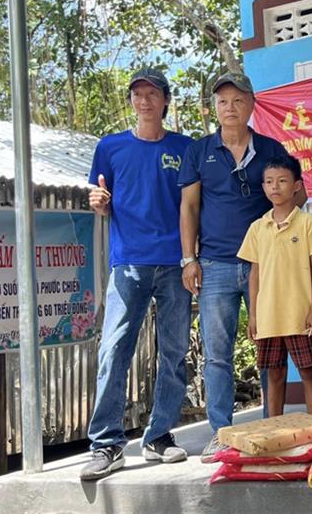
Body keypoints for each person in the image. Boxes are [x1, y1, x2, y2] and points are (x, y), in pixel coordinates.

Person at [178, 72, 300, 462]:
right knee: (217, 354)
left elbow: (296, 195)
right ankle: (222, 433)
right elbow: (190, 207)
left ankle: (271, 429)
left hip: (264, 266)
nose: (230, 108)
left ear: (251, 104)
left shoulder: (270, 148)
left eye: (238, 100)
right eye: (223, 101)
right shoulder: (199, 151)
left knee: (270, 349)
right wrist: (189, 259)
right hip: (213, 264)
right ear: (214, 108)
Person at [80, 68, 193, 481]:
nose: (144, 101)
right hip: (128, 263)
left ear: (165, 100)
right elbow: (101, 198)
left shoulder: (185, 148)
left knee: (174, 351)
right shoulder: (110, 147)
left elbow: (193, 206)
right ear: (131, 101)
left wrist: (191, 257)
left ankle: (159, 436)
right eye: (137, 94)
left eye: (152, 94)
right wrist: (99, 201)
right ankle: (107, 444)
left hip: (176, 263)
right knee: (114, 350)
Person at [238, 154, 312, 418]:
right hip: (268, 316)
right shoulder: (257, 227)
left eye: (282, 181)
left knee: (308, 372)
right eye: (269, 181)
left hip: (300, 314)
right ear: (263, 187)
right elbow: (254, 275)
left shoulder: (308, 222)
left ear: (297, 185)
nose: (275, 186)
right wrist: (253, 315)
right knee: (274, 374)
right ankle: (273, 426)